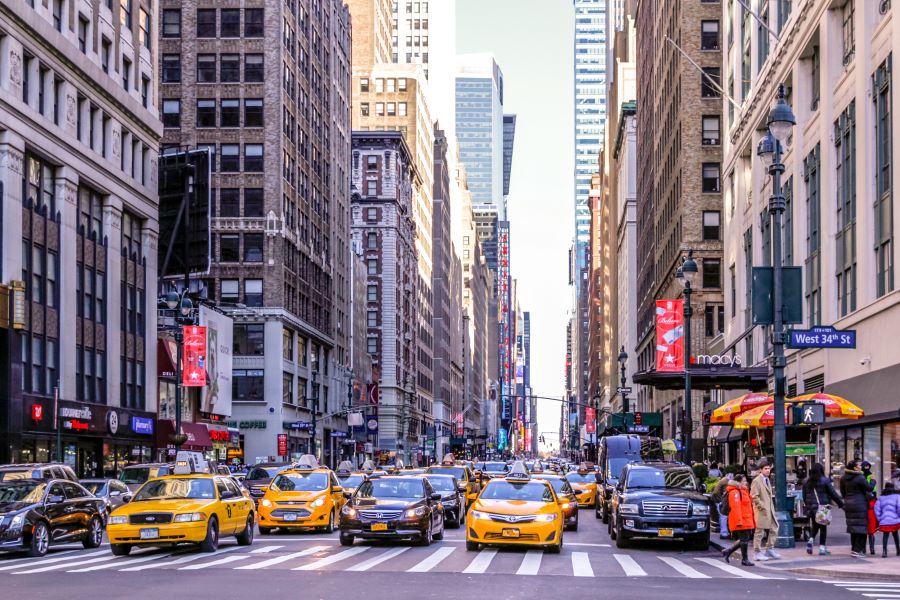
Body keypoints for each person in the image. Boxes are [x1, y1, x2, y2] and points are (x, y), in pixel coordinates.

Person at [802, 462, 844, 555]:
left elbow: (804, 496)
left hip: (811, 508)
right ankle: (822, 548)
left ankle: (811, 540)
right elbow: (833, 494)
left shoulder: (806, 481)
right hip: (822, 507)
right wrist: (841, 504)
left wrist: (808, 506)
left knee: (815, 525)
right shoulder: (825, 480)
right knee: (823, 527)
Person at [841, 459, 876, 557]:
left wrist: (848, 500)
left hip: (849, 504)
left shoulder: (844, 478)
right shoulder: (859, 477)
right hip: (860, 504)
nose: (861, 466)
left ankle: (854, 549)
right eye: (859, 465)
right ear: (855, 467)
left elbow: (843, 492)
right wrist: (873, 480)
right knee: (862, 528)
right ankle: (857, 550)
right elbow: (869, 488)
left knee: (853, 528)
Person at [722, 474, 755, 566]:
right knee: (744, 540)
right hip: (741, 521)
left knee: (744, 539)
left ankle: (728, 551)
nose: (746, 483)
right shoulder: (735, 492)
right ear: (739, 482)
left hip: (746, 519)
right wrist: (739, 522)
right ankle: (744, 559)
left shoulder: (743, 491)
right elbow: (736, 508)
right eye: (744, 481)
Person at [750, 458, 780, 561]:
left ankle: (769, 548)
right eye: (766, 469)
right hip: (762, 510)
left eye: (769, 469)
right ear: (761, 470)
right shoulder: (757, 481)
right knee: (759, 531)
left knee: (774, 528)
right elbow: (754, 496)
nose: (768, 470)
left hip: (769, 509)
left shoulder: (767, 480)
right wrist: (761, 507)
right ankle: (757, 552)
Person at [874, 482, 900, 557]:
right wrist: (898, 516)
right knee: (895, 535)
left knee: (885, 536)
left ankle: (884, 552)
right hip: (894, 520)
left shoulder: (881, 498)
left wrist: (880, 518)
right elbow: (899, 507)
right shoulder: (897, 496)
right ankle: (898, 550)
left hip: (884, 520)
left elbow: (876, 509)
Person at [712, 473, 734, 539]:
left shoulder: (723, 480)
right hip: (719, 500)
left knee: (722, 517)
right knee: (723, 517)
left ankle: (724, 532)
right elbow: (725, 493)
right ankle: (724, 533)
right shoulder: (726, 481)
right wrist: (721, 501)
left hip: (717, 500)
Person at [863, 461, 879, 554]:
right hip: (865, 502)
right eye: (865, 466)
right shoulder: (861, 476)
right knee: (866, 529)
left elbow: (874, 490)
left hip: (871, 502)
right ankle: (865, 548)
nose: (867, 468)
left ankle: (871, 548)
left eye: (868, 466)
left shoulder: (870, 476)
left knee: (871, 529)